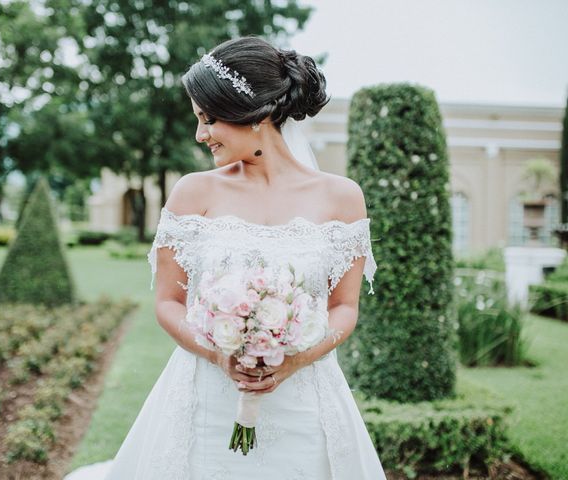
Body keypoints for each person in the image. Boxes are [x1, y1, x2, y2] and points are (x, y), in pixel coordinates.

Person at [66, 36, 386, 480]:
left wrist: (293, 358)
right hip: (205, 402)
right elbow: (168, 303)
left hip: (305, 403)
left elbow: (344, 307)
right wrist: (219, 355)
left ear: (257, 114)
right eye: (198, 119)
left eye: (210, 118)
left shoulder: (343, 198)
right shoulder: (193, 192)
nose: (200, 135)